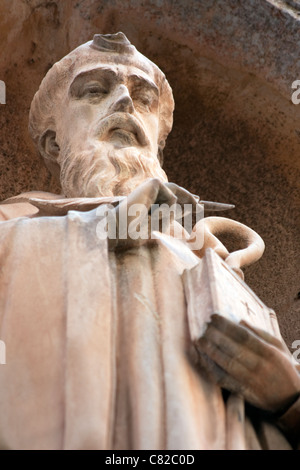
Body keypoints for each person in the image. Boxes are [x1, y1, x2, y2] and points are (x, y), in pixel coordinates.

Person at [0, 32, 299, 450]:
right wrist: (107, 226)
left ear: (158, 141)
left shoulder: (210, 258)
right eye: (94, 91)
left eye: (143, 99)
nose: (123, 102)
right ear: (54, 142)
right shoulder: (11, 228)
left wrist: (286, 397)